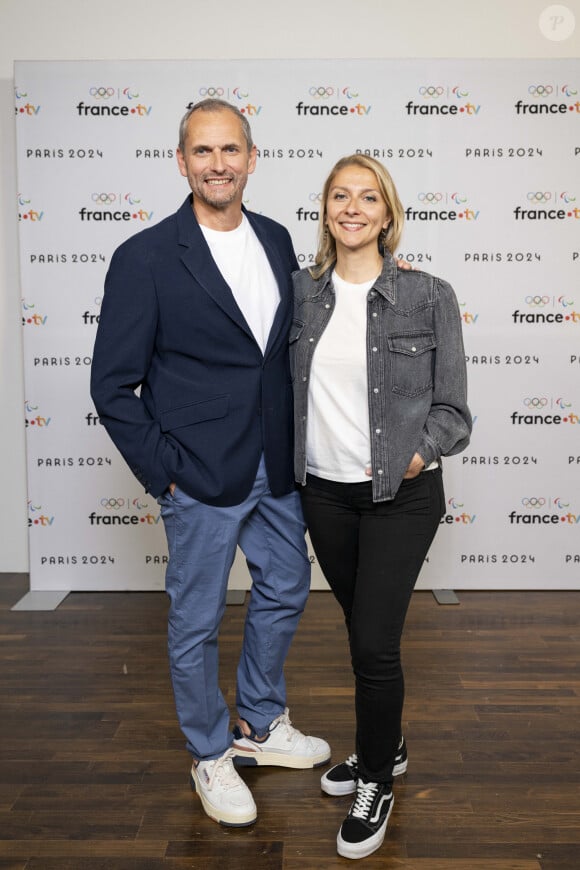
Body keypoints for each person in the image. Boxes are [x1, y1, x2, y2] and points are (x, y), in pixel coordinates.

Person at [90, 98, 332, 829]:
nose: (218, 164)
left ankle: (258, 723)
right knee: (196, 620)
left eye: (231, 151)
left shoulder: (275, 235)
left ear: (252, 158)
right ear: (182, 161)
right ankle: (209, 750)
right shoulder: (146, 256)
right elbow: (113, 384)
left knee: (287, 584)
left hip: (274, 463)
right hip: (197, 470)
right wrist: (165, 469)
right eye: (203, 151)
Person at [291, 154, 472, 860]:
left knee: (373, 644)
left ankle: (376, 780)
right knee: (359, 626)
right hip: (322, 493)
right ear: (327, 210)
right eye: (341, 195)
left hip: (400, 497)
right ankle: (386, 745)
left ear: (388, 214)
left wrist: (417, 454)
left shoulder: (428, 295)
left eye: (369, 197)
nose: (354, 207)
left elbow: (453, 410)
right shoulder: (301, 294)